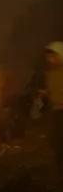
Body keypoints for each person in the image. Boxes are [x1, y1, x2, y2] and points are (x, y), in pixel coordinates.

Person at [43, 41, 63, 179]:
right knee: (56, 142)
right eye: (48, 57)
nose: (49, 59)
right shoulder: (50, 73)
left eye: (52, 56)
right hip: (55, 110)